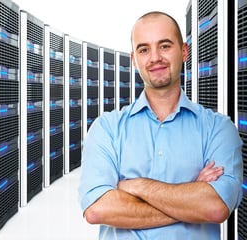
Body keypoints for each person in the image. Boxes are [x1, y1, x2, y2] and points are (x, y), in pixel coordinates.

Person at [78, 11, 243, 240]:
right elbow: (97, 209)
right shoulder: (106, 128)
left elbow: (215, 207)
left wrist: (135, 186)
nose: (155, 58)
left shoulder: (219, 129)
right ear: (134, 59)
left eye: (165, 46)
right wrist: (190, 198)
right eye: (144, 49)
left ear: (184, 51)